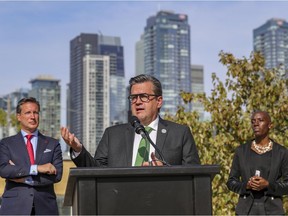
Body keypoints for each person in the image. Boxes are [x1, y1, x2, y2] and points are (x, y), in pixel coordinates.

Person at [61, 74, 200, 167]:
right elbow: (96, 172)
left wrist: (165, 171)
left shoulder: (179, 134)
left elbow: (193, 175)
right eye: (133, 98)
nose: (137, 102)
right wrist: (79, 150)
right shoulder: (113, 135)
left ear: (159, 101)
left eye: (144, 96)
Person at [0, 97, 63, 215]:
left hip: (45, 208)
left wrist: (22, 177)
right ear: (18, 116)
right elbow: (4, 170)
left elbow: (57, 175)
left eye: (35, 112)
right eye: (28, 112)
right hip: (15, 208)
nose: (32, 116)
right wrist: (37, 168)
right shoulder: (6, 144)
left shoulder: (53, 144)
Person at [226, 110, 288, 215]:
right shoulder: (241, 151)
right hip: (246, 211)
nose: (256, 123)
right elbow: (231, 182)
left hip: (273, 211)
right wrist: (246, 185)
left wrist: (268, 185)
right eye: (253, 121)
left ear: (270, 125)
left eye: (260, 120)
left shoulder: (281, 152)